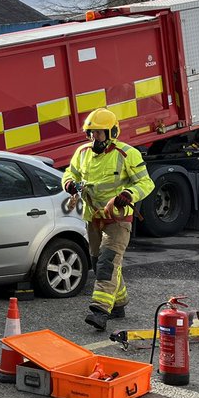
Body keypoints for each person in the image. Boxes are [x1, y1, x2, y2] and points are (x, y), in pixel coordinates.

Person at [63, 108, 155, 332]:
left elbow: (146, 183)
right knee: (100, 263)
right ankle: (119, 302)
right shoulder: (82, 153)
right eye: (92, 133)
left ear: (112, 132)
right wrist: (68, 184)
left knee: (106, 263)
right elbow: (70, 173)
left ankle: (100, 311)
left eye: (100, 133)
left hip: (118, 219)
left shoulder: (127, 154)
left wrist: (129, 195)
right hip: (93, 218)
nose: (95, 138)